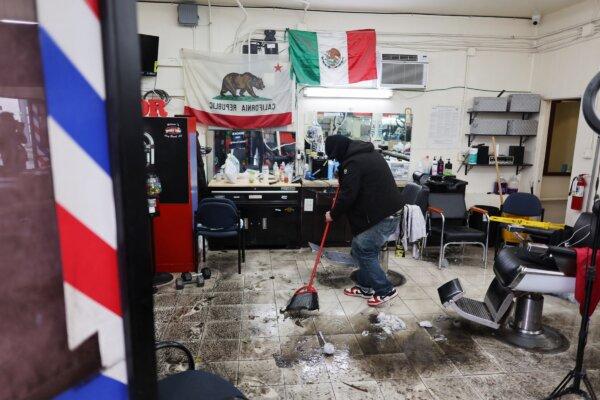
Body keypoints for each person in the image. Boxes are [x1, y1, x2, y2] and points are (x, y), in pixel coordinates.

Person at [325, 135, 402, 307]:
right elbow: (358, 183)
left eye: (336, 156)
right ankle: (366, 287)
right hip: (383, 212)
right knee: (360, 249)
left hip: (383, 216)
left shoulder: (353, 163)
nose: (337, 160)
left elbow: (348, 196)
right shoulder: (367, 153)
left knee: (364, 249)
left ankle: (386, 290)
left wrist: (333, 214)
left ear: (339, 151)